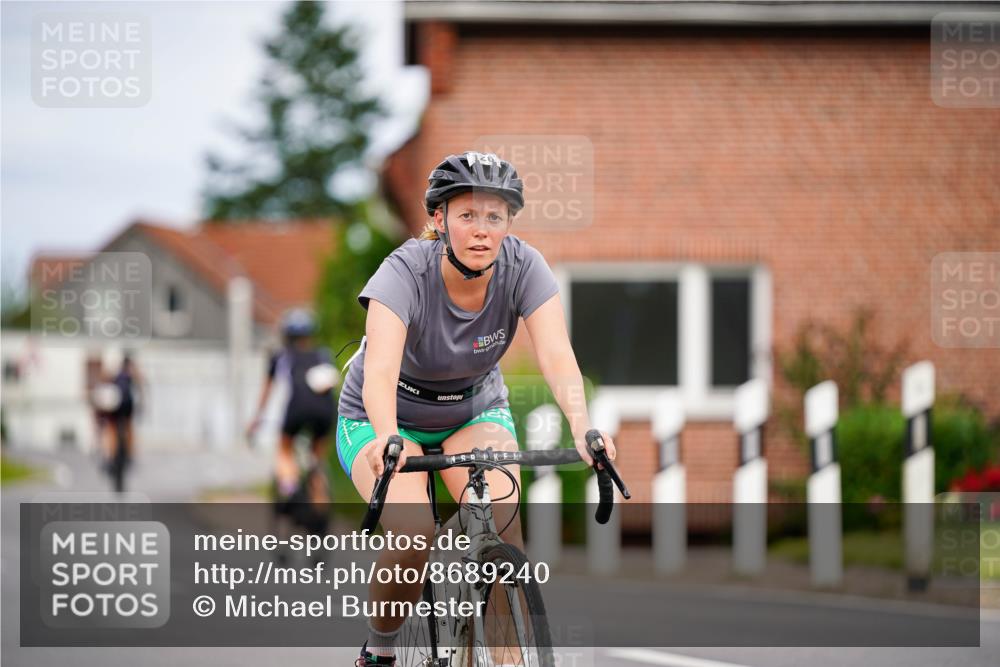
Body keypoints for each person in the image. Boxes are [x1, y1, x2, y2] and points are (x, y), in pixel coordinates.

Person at [336, 151, 618, 666]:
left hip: (471, 411)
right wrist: (384, 436)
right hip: (384, 416)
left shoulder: (524, 266)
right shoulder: (404, 271)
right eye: (467, 215)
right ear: (440, 219)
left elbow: (556, 355)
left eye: (495, 217)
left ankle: (506, 661)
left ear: (509, 222)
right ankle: (378, 651)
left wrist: (583, 426)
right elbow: (378, 371)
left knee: (504, 525)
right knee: (413, 532)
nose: (482, 230)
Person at [248, 309, 338, 510]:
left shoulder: (280, 356)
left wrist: (256, 419)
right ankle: (320, 505)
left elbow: (267, 392)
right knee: (317, 458)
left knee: (285, 449)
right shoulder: (323, 354)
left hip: (297, 407)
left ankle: (289, 489)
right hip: (325, 409)